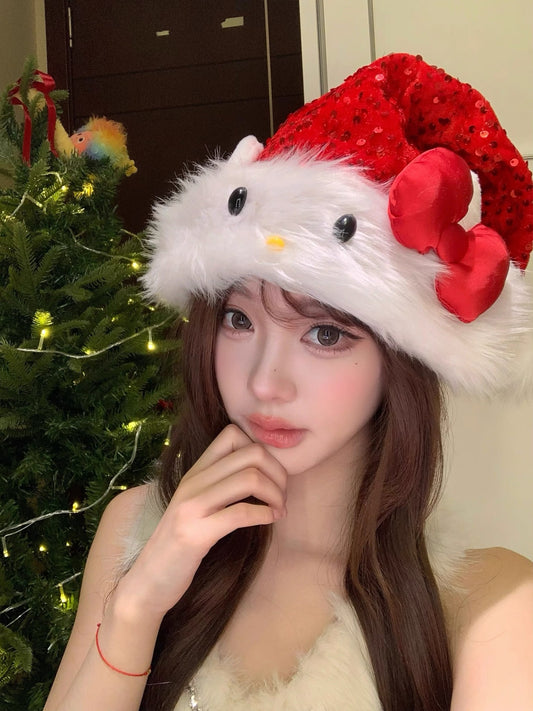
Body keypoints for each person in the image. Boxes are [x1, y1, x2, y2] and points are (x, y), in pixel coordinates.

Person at [43, 53, 533, 711]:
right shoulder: (135, 528)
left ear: (400, 359)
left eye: (324, 334)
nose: (264, 382)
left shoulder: (488, 603)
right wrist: (136, 607)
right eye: (239, 320)